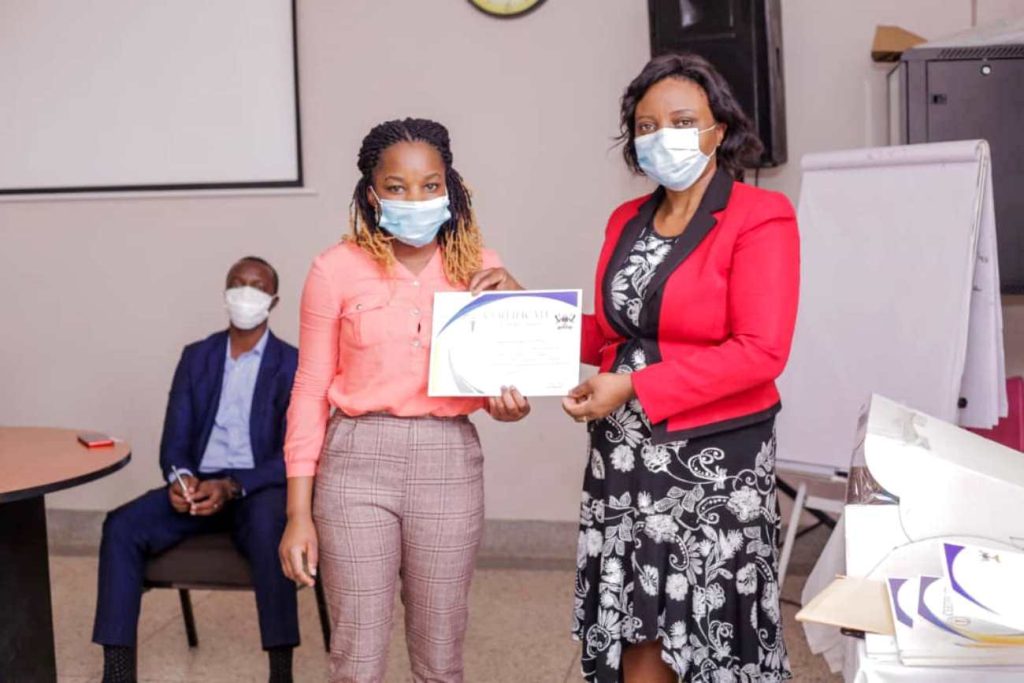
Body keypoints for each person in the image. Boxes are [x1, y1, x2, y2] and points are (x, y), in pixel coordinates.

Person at [562, 53, 800, 683]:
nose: (661, 135)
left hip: (712, 463)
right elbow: (618, 335)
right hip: (623, 454)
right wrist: (519, 316)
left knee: (704, 630)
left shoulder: (759, 216)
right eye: (645, 125)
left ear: (718, 130)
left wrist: (636, 385)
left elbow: (761, 350)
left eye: (681, 119)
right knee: (636, 631)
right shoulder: (626, 221)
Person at [278, 117, 530, 683]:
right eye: (396, 187)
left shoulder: (482, 268)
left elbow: (496, 385)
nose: (414, 198)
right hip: (354, 468)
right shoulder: (334, 269)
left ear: (451, 188)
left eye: (430, 185)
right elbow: (309, 389)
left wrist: (507, 401)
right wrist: (298, 513)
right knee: (356, 657)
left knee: (440, 654)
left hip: (449, 461)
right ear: (372, 193)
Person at [92, 257, 300, 683]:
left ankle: (281, 672)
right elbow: (175, 438)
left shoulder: (292, 364)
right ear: (225, 293)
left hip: (255, 486)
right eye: (237, 284)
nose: (246, 293)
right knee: (121, 526)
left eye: (257, 286)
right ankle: (116, 672)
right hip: (199, 485)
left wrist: (233, 485)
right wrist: (180, 477)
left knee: (269, 531)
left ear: (273, 300)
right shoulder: (197, 356)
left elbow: (294, 453)